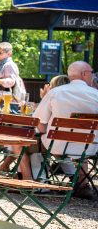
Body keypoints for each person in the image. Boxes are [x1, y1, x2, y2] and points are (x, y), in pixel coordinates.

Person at [32, 61, 98, 192]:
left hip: (57, 146)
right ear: (84, 74)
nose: (93, 76)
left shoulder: (55, 93)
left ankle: (38, 180)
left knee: (36, 142)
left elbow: (39, 122)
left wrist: (46, 132)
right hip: (91, 147)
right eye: (92, 73)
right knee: (82, 145)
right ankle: (82, 184)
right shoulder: (96, 94)